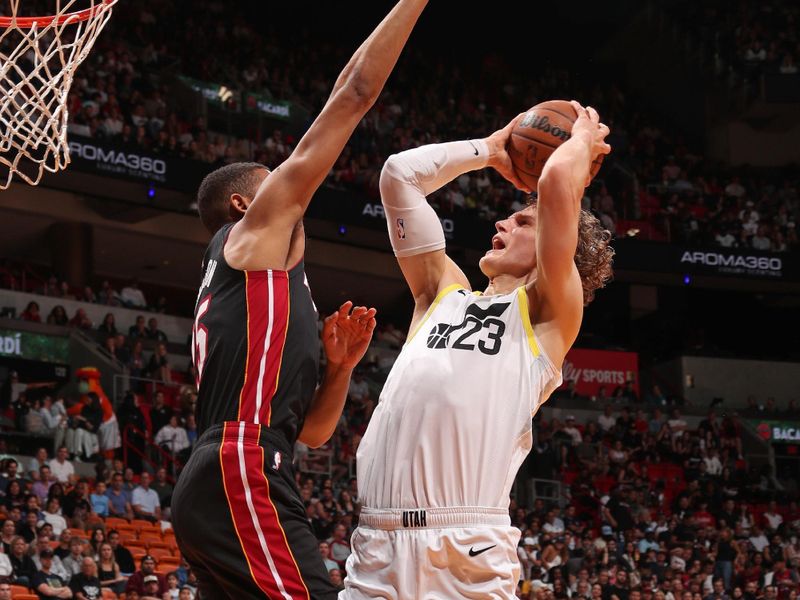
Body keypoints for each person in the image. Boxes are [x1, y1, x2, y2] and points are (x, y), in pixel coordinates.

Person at [170, 2, 427, 598]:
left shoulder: (262, 283)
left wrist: (338, 372)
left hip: (234, 468)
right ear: (243, 206)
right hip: (241, 465)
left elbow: (311, 434)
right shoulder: (252, 240)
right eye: (273, 180)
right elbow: (356, 91)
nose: (291, 185)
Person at [341, 102, 613, 599]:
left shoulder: (548, 312)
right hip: (376, 545)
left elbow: (554, 184)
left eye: (522, 222)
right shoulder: (441, 293)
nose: (502, 224)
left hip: (464, 547)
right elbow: (399, 175)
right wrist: (489, 150)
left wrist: (582, 141)